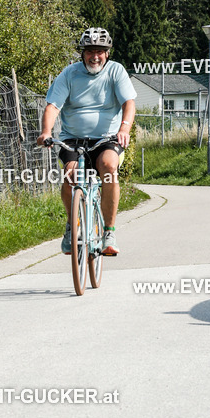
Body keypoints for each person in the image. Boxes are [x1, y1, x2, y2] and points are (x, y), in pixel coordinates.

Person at [36, 27, 136, 255]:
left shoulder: (115, 72)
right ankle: (72, 226)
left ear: (107, 53)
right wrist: (46, 131)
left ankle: (109, 232)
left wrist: (124, 128)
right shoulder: (69, 74)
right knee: (70, 175)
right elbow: (53, 106)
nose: (95, 56)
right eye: (90, 51)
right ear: (82, 53)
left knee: (109, 167)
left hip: (107, 139)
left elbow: (128, 103)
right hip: (73, 140)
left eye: (100, 51)